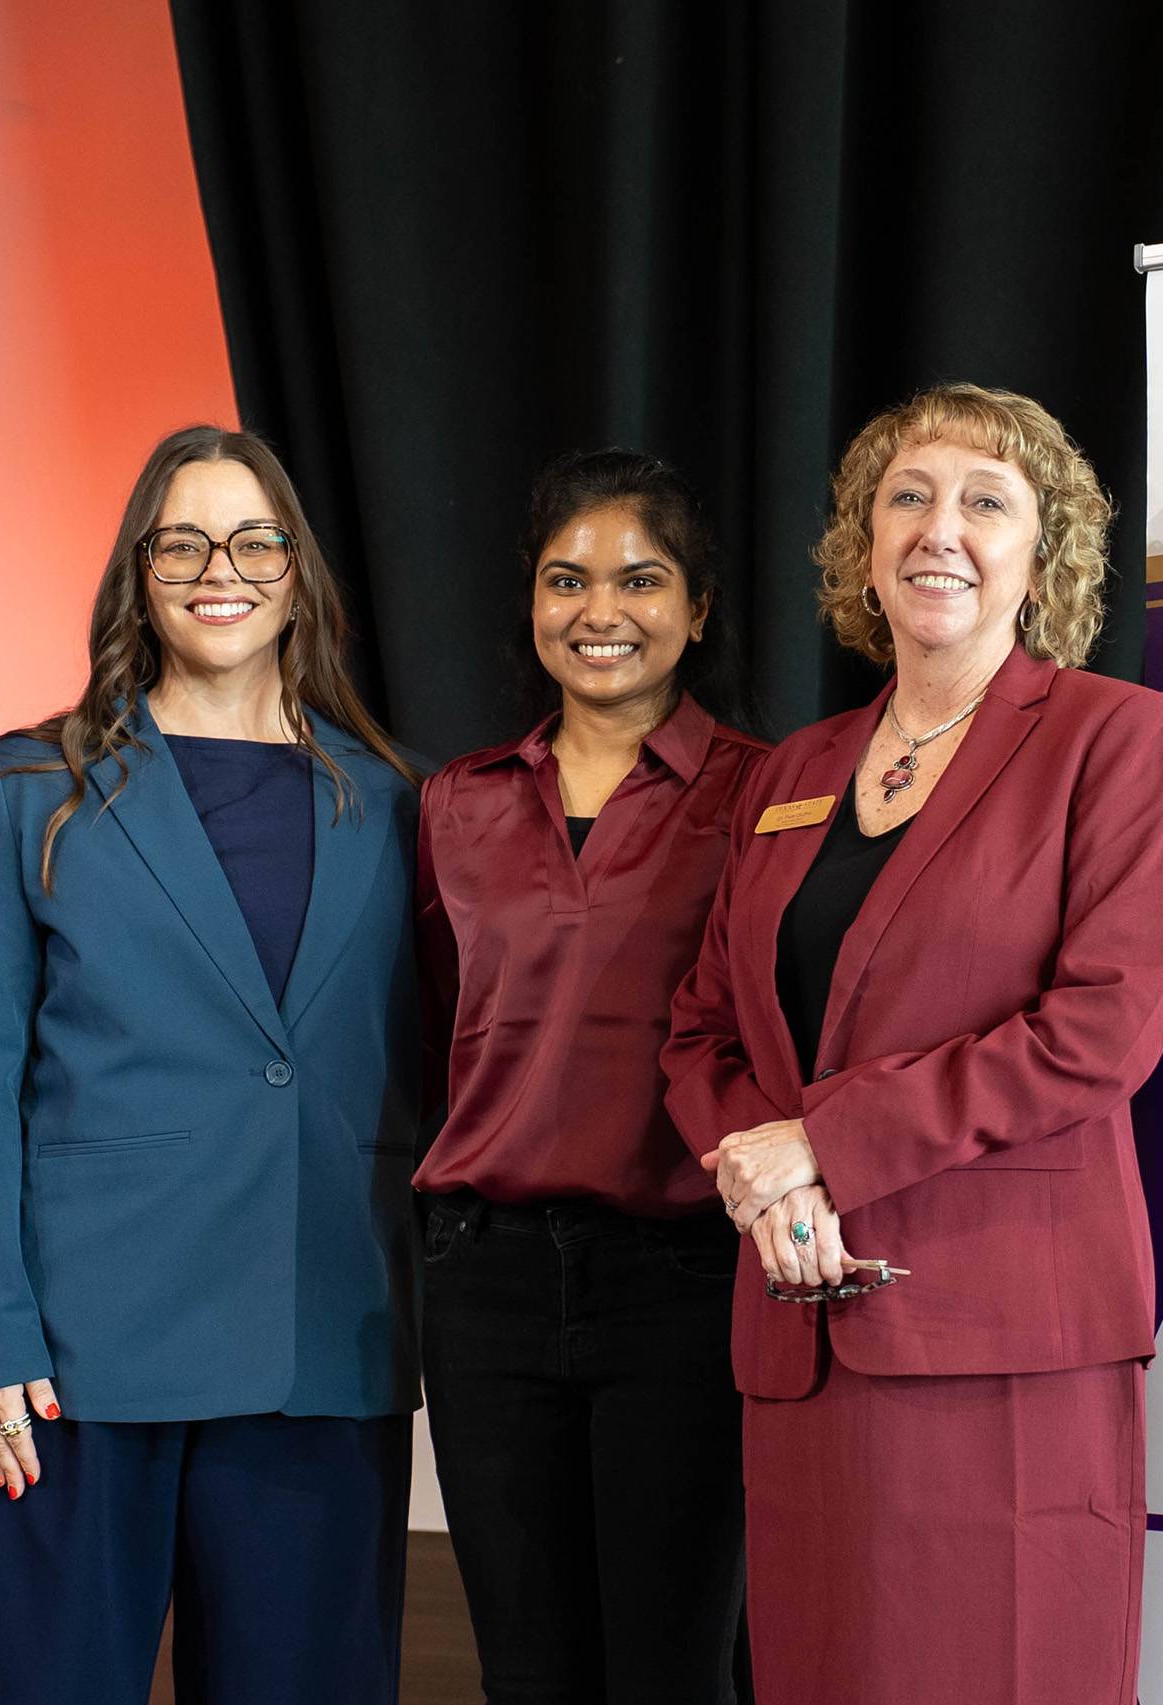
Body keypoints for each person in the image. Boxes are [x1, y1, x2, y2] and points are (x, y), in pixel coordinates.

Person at [661, 384, 1163, 1705]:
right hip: (807, 1321)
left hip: (1002, 1334)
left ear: (1043, 549)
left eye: (985, 500)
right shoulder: (793, 773)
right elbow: (700, 1028)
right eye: (907, 495)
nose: (939, 528)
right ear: (861, 541)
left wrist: (824, 1149)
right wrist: (766, 1179)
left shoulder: (1113, 738)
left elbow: (1100, 1031)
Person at [0, 425, 424, 1704]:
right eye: (185, 540)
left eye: (256, 539)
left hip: (318, 1343)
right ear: (139, 571)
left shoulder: (391, 801)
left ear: (297, 570)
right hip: (72, 1368)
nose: (222, 568)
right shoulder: (26, 792)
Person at [413, 450, 769, 1702]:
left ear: (698, 608)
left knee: (674, 1670)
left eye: (640, 579)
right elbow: (423, 1032)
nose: (599, 610)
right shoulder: (455, 802)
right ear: (529, 600)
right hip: (483, 1280)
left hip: (678, 1278)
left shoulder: (766, 795)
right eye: (566, 579)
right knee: (526, 1667)